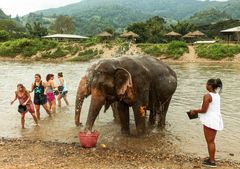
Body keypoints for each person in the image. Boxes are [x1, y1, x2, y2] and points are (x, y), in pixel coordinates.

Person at [191, 78, 223, 168]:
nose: (205, 85)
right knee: (211, 141)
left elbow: (204, 110)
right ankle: (211, 158)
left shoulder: (207, 96)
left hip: (210, 121)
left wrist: (194, 111)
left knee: (210, 142)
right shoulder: (217, 95)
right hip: (216, 119)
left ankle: (212, 162)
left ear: (210, 85)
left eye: (207, 84)